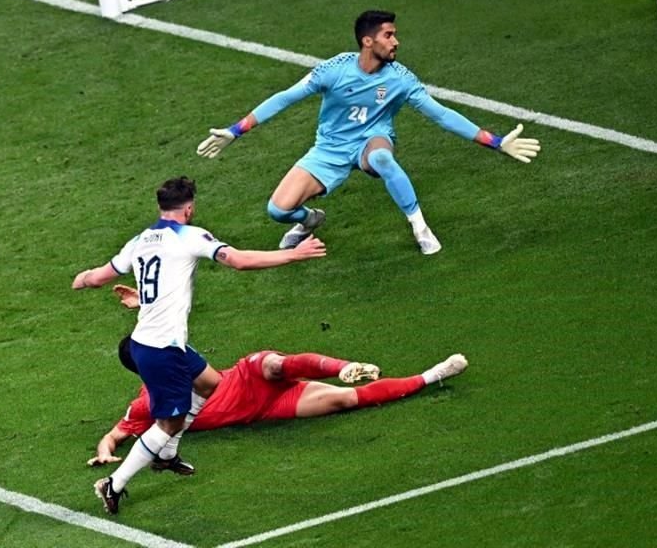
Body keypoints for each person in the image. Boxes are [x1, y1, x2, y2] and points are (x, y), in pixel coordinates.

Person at [71, 176, 326, 514]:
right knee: (168, 424)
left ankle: (167, 455)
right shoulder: (189, 236)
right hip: (162, 350)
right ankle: (114, 485)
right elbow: (238, 260)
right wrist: (293, 255)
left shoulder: (140, 241)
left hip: (152, 341)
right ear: (188, 208)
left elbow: (101, 276)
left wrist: (83, 279)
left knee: (210, 383)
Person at [196, 10, 542, 255]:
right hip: (328, 150)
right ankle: (311, 220)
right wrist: (236, 130)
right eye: (388, 35)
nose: (396, 42)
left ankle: (420, 228)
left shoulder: (401, 78)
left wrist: (495, 142)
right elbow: (285, 98)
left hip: (370, 141)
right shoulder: (334, 70)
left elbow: (441, 114)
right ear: (367, 40)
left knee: (380, 156)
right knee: (278, 210)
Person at [88, 334, 469, 467]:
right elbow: (115, 435)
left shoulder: (175, 355)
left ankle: (345, 365)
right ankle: (434, 374)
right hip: (265, 409)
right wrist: (106, 452)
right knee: (345, 401)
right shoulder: (145, 404)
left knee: (275, 364)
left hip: (247, 375)